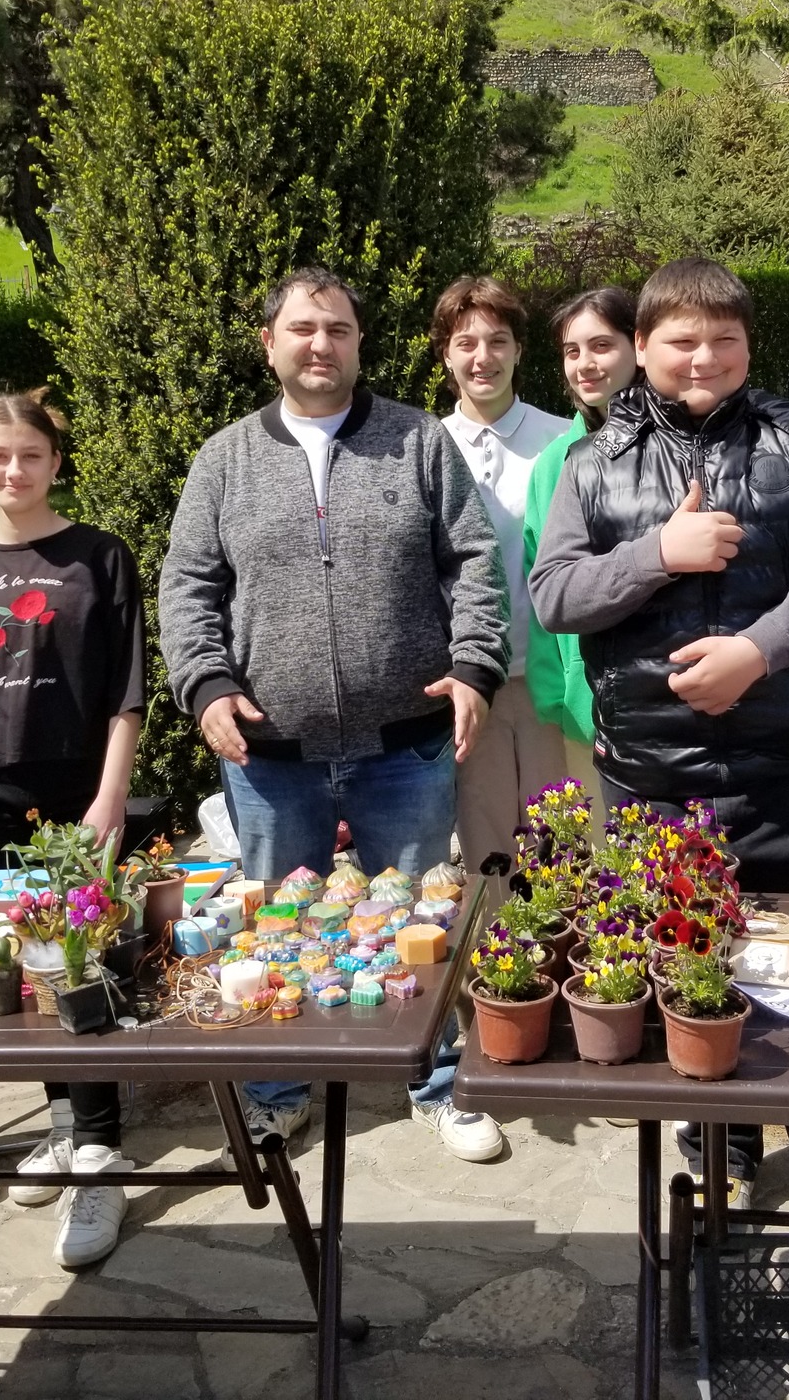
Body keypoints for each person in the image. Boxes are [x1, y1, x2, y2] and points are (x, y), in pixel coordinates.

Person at [529, 257, 789, 1216]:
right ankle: (716, 1143)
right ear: (642, 347)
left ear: (748, 346)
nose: (705, 358)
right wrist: (657, 554)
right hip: (657, 777)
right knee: (689, 963)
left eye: (725, 339)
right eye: (682, 340)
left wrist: (757, 653)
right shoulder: (594, 462)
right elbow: (555, 594)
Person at [159, 266, 512, 1163]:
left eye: (340, 330)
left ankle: (436, 1079)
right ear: (269, 344)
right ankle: (277, 1093)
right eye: (304, 329)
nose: (322, 344)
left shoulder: (418, 441)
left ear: (359, 343)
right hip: (271, 754)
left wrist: (473, 666)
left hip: (406, 746)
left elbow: (472, 561)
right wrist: (206, 685)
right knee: (278, 932)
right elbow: (188, 585)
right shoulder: (224, 460)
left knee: (422, 924)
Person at [0, 390, 147, 1268]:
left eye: (31, 455)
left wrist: (109, 799)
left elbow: (126, 693)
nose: (15, 471)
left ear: (56, 461)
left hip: (80, 796)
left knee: (83, 969)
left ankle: (100, 1153)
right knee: (32, 970)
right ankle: (63, 1125)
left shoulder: (101, 556)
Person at [434, 276, 574, 872]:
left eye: (497, 341)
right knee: (486, 850)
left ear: (519, 350)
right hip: (470, 685)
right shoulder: (426, 446)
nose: (482, 357)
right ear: (446, 355)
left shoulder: (562, 439)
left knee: (561, 849)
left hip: (548, 682)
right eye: (465, 343)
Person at [522, 287, 641, 826]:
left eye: (601, 346)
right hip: (585, 714)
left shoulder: (682, 447)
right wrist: (558, 696)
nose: (584, 364)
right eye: (572, 351)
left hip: (670, 711)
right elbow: (537, 577)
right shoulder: (555, 462)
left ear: (638, 346)